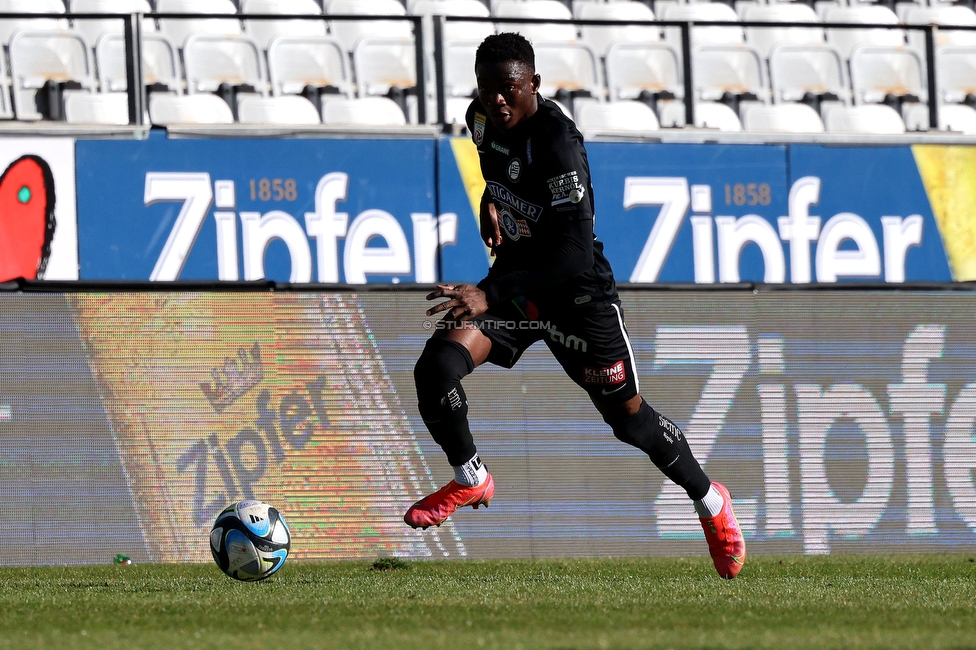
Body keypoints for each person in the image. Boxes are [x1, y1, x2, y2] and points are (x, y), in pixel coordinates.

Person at [404, 32, 745, 579]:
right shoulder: (480, 121)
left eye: (508, 88)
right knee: (436, 367)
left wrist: (488, 292)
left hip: (578, 299)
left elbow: (574, 251)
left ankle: (713, 504)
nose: (496, 100)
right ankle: (471, 479)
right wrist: (492, 202)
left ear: (533, 84)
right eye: (487, 88)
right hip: (518, 289)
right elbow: (502, 175)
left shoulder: (559, 142)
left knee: (630, 422)